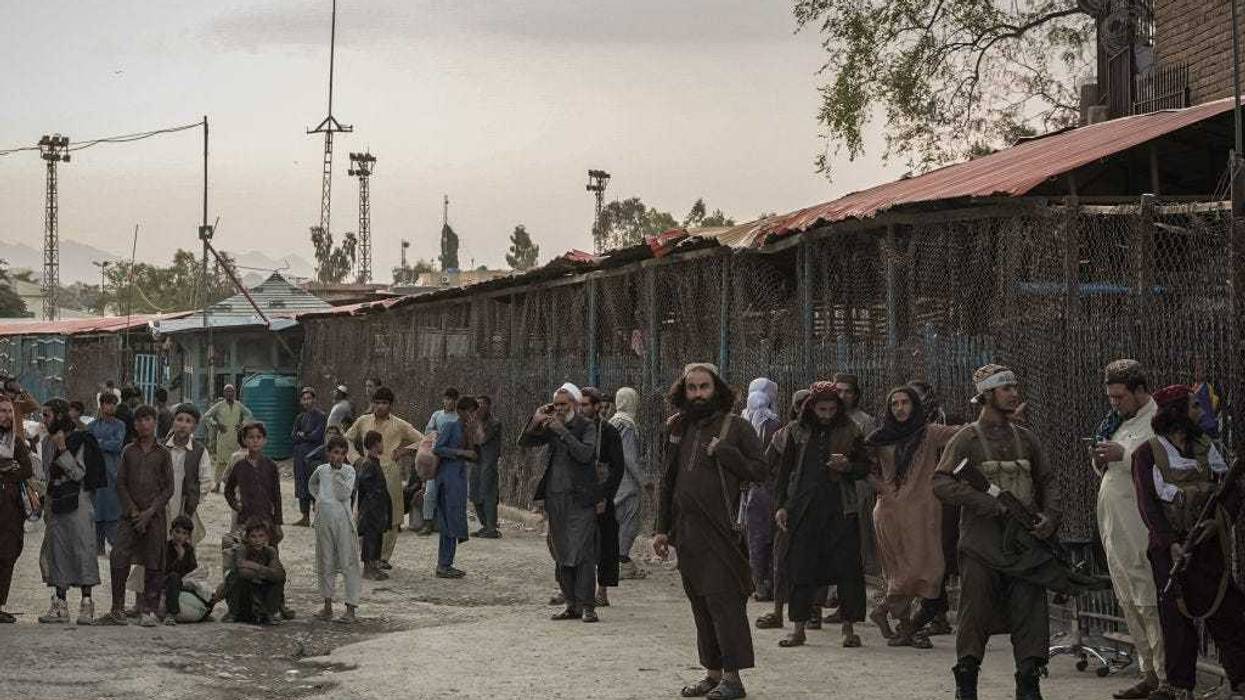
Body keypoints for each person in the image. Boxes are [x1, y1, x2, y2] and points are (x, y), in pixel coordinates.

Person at [932, 364, 1061, 700]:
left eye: (1014, 387)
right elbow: (941, 482)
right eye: (1006, 389)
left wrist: (1049, 516)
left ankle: (1029, 681)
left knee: (1031, 611)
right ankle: (967, 682)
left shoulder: (1026, 438)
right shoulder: (966, 439)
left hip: (1025, 543)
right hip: (981, 543)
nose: (1014, 394)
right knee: (974, 613)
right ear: (988, 395)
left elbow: (1047, 481)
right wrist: (986, 503)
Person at [652, 363, 767, 700]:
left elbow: (760, 471)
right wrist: (662, 530)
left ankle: (733, 680)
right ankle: (713, 674)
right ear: (683, 392)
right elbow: (669, 481)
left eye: (704, 387)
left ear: (716, 389)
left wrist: (726, 452)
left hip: (724, 535)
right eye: (692, 388)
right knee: (700, 605)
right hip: (688, 535)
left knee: (725, 604)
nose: (698, 394)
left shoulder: (738, 427)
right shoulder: (680, 427)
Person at [1132, 385, 1245, 700]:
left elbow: (1232, 490)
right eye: (1195, 406)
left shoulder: (1206, 447)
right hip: (1171, 550)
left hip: (1208, 545)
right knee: (1176, 618)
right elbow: (1148, 504)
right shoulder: (1147, 453)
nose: (1200, 412)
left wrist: (1218, 522)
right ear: (1177, 414)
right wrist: (1171, 543)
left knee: (1227, 609)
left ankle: (1240, 678)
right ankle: (1180, 687)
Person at [772, 382, 872, 649]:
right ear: (812, 408)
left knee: (847, 568)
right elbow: (784, 472)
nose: (826, 414)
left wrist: (847, 465)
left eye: (831, 409)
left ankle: (848, 629)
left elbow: (865, 467)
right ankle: (798, 628)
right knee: (800, 566)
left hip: (840, 508)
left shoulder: (851, 430)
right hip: (803, 508)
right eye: (821, 409)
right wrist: (781, 505)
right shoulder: (796, 431)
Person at [1087, 360, 1165, 699]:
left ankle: (1165, 677)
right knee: (1128, 600)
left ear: (1139, 390)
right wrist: (1102, 458)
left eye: (1120, 396)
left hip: (1140, 527)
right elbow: (1111, 469)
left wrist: (1127, 454)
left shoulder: (1158, 420)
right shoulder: (1116, 422)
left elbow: (1167, 465)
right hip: (1114, 526)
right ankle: (1148, 672)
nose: (1114, 403)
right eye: (1110, 397)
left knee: (1148, 599)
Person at [865, 385, 960, 648]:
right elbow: (861, 465)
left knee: (930, 569)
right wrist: (884, 488)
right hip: (892, 511)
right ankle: (904, 626)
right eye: (894, 404)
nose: (900, 408)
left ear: (914, 405)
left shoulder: (928, 433)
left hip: (923, 511)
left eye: (905, 402)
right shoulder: (880, 437)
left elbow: (962, 434)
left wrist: (1000, 421)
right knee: (904, 570)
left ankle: (887, 612)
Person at [522, 383, 601, 622]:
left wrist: (563, 432)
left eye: (563, 405)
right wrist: (536, 419)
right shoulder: (551, 426)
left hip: (580, 499)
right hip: (556, 498)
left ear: (575, 405)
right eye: (555, 404)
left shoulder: (586, 426)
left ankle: (588, 606)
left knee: (582, 553)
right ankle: (571, 604)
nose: (558, 409)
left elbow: (586, 454)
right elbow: (524, 442)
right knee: (562, 551)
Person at [98, 405, 174, 628]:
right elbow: (120, 483)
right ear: (134, 424)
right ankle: (117, 609)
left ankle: (148, 610)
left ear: (154, 422)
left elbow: (169, 488)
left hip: (155, 517)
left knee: (153, 560)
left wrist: (150, 512)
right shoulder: (128, 451)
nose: (143, 424)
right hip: (129, 516)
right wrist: (133, 511)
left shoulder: (163, 453)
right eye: (139, 420)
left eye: (147, 419)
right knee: (118, 556)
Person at [38, 398, 103, 625]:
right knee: (58, 552)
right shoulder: (47, 442)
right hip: (56, 502)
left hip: (79, 502)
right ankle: (60, 605)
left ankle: (86, 605)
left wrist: (63, 448)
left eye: (47, 415)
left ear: (59, 415)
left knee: (82, 550)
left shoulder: (79, 440)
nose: (43, 420)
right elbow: (47, 473)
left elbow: (78, 474)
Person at [345, 387, 421, 569]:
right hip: (367, 471)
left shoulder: (399, 424)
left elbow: (423, 440)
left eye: (384, 403)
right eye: (377, 403)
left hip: (390, 473)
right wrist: (356, 459)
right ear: (372, 403)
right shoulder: (363, 421)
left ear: (390, 405)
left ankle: (383, 558)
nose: (380, 407)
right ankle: (367, 556)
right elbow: (346, 439)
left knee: (392, 516)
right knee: (363, 514)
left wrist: (404, 451)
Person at [754, 389, 810, 630]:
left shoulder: (825, 435)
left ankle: (812, 612)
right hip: (788, 505)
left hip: (816, 504)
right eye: (800, 404)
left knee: (813, 559)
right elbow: (766, 466)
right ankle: (778, 610)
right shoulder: (784, 435)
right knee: (781, 558)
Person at [908, 379, 955, 636]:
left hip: (942, 496)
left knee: (938, 554)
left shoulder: (942, 423)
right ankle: (935, 612)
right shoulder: (905, 426)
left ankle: (932, 611)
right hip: (917, 497)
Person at [579, 387, 625, 608]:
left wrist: (605, 496)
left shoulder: (608, 432)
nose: (581, 409)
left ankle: (602, 590)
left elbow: (617, 468)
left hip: (600, 493)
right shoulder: (574, 429)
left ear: (597, 406)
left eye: (585, 405)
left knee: (605, 543)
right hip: (578, 494)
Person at [310, 435, 361, 623]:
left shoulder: (349, 471)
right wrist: (320, 500)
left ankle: (350, 608)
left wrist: (338, 472)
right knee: (325, 561)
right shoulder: (321, 470)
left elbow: (343, 494)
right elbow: (312, 485)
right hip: (324, 520)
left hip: (343, 521)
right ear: (328, 453)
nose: (337, 457)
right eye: (334, 453)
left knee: (348, 562)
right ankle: (327, 606)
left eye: (341, 453)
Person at [740, 378, 782, 601]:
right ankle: (771, 583)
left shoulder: (742, 418)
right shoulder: (774, 423)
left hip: (746, 486)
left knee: (753, 537)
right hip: (768, 487)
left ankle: (758, 584)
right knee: (770, 537)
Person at [433, 396, 478, 578]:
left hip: (458, 479)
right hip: (448, 479)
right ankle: (444, 564)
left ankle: (446, 563)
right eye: (470, 411)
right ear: (462, 411)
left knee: (453, 521)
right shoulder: (451, 426)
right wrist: (460, 452)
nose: (473, 415)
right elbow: (438, 448)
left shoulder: (467, 429)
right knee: (448, 522)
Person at [610, 387, 650, 580]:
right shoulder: (627, 424)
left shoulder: (613, 421)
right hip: (627, 481)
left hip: (614, 479)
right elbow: (629, 456)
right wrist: (642, 480)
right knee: (629, 521)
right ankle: (621, 559)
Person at [0, 394, 33, 623]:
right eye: (2, 411)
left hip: (10, 510)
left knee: (7, 555)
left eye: (9, 411)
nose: (7, 416)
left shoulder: (17, 442)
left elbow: (26, 469)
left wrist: (8, 469)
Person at [224, 422, 283, 542]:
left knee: (269, 553)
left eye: (259, 437)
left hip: (266, 518)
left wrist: (278, 523)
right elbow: (228, 490)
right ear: (244, 441)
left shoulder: (271, 466)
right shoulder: (239, 466)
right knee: (246, 552)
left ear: (264, 440)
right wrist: (236, 505)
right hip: (246, 519)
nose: (255, 441)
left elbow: (277, 496)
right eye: (251, 437)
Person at [164, 403, 214, 543]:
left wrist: (194, 499)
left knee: (185, 546)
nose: (183, 425)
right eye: (179, 419)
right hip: (164, 506)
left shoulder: (199, 451)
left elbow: (205, 480)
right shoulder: (163, 448)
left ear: (194, 426)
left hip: (186, 506)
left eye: (188, 421)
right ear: (173, 422)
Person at [224, 519, 286, 625]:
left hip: (261, 593)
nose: (257, 540)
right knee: (236, 577)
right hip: (245, 597)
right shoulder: (242, 550)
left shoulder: (270, 551)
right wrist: (267, 573)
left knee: (280, 576)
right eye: (253, 536)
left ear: (267, 537)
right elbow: (242, 571)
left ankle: (269, 613)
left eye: (261, 536)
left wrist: (256, 567)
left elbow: (278, 574)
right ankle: (233, 613)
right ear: (247, 538)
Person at [87, 392, 126, 556]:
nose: (111, 407)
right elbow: (89, 445)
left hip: (112, 471)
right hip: (95, 472)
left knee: (113, 507)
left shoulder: (120, 425)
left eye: (113, 404)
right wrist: (101, 444)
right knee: (96, 508)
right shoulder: (92, 426)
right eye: (108, 403)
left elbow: (117, 445)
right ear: (101, 405)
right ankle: (98, 545)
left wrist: (99, 443)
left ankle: (115, 543)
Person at [419, 387, 461, 537]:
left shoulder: (458, 417)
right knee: (430, 491)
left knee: (450, 492)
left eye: (452, 399)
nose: (449, 402)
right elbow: (428, 432)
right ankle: (427, 523)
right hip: (435, 458)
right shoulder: (437, 415)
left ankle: (448, 523)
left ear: (456, 401)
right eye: (446, 398)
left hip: (451, 459)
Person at [355, 431, 391, 581]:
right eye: (381, 442)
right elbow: (366, 487)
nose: (383, 445)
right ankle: (368, 569)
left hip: (377, 509)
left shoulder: (374, 463)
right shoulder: (368, 464)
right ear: (376, 444)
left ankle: (374, 567)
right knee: (370, 538)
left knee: (376, 537)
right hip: (371, 510)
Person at [202, 384, 253, 490]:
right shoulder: (219, 406)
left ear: (234, 393)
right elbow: (206, 416)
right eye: (227, 391)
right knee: (221, 462)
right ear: (224, 393)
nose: (229, 393)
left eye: (231, 391)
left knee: (234, 462)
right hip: (223, 437)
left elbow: (249, 414)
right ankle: (217, 484)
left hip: (235, 438)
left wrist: (242, 424)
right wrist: (216, 424)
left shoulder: (239, 405)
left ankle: (234, 485)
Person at [291, 387, 328, 527]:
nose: (307, 401)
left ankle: (317, 516)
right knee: (301, 485)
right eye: (304, 399)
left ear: (314, 400)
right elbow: (293, 436)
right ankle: (304, 516)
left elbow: (317, 436)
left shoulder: (320, 416)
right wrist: (304, 435)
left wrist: (304, 435)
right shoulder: (299, 417)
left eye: (309, 398)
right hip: (300, 457)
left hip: (314, 456)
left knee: (314, 485)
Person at [471, 395, 503, 538]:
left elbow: (482, 439)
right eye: (477, 404)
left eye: (482, 404)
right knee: (475, 493)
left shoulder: (495, 423)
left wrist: (476, 422)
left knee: (488, 494)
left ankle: (492, 527)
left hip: (489, 462)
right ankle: (485, 525)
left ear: (489, 406)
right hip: (477, 461)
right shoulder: (474, 422)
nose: (479, 407)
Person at [162, 515, 198, 625]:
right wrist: (180, 558)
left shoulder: (189, 549)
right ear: (171, 532)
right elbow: (166, 570)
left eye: (184, 533)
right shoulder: (166, 547)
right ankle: (171, 614)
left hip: (184, 581)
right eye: (177, 532)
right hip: (167, 581)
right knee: (174, 577)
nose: (180, 536)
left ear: (188, 536)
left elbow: (193, 569)